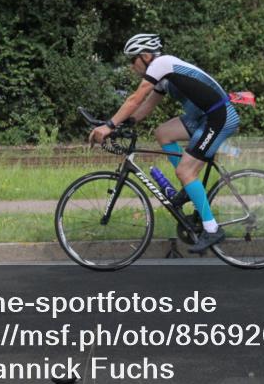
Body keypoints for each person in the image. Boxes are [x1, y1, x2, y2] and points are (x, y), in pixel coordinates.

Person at [89, 33, 240, 253]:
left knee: (186, 172)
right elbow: (146, 107)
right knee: (163, 133)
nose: (132, 67)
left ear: (147, 55)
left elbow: (135, 98)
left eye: (133, 60)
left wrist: (109, 126)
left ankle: (212, 228)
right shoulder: (163, 75)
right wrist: (123, 125)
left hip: (219, 117)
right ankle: (189, 190)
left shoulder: (162, 64)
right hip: (203, 117)